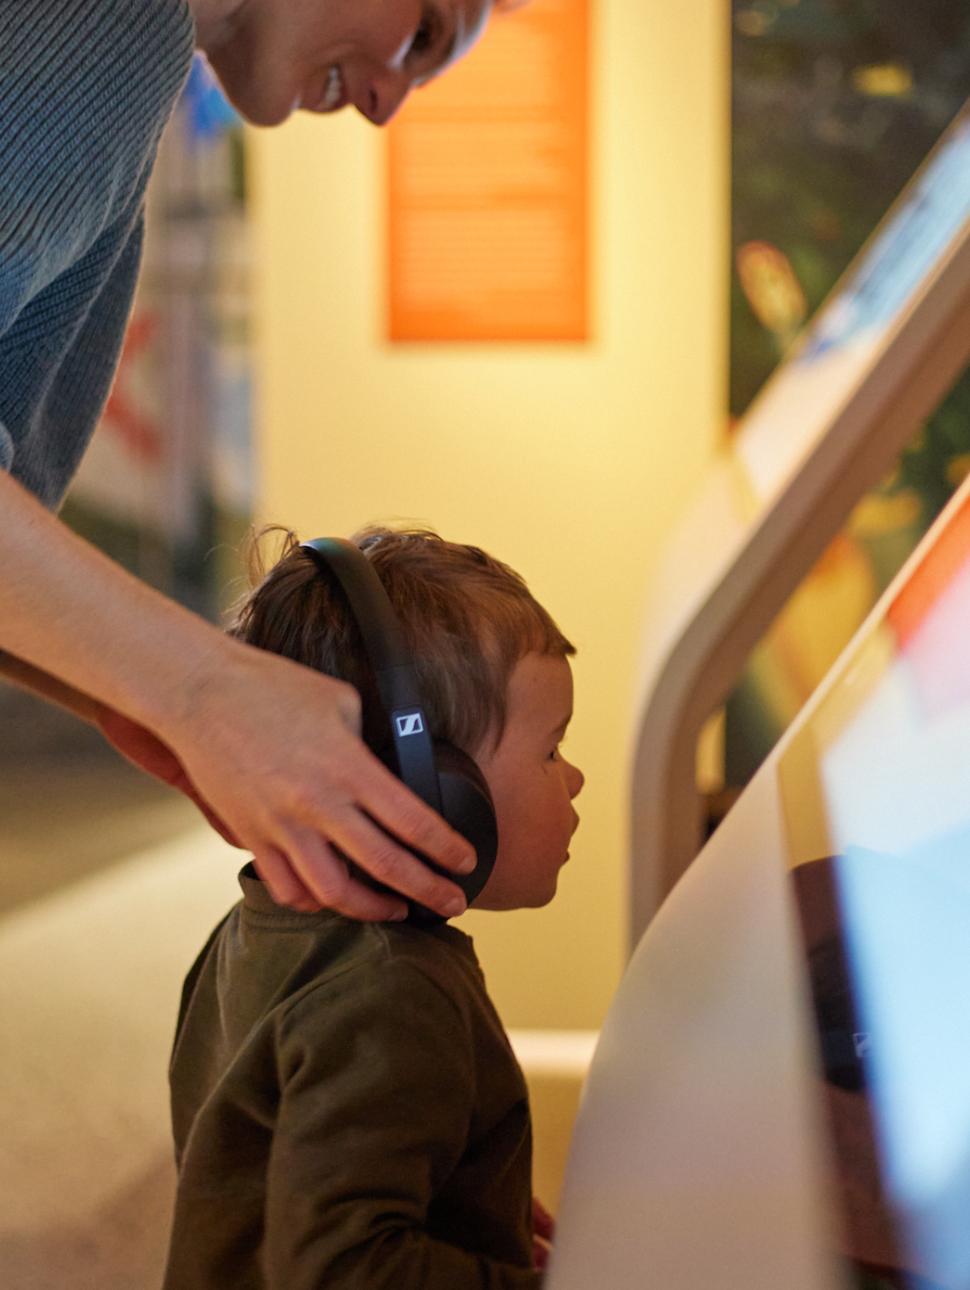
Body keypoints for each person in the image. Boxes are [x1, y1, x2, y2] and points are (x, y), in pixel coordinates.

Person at [0, 0, 493, 920]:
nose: (388, 105)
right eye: (422, 33)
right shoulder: (112, 32)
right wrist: (201, 692)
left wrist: (127, 694)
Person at [163, 525, 584, 1289]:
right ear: (433, 790)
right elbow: (341, 1270)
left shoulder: (254, 929)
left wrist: (463, 1194)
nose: (576, 777)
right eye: (552, 749)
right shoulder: (393, 993)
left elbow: (269, 1158)